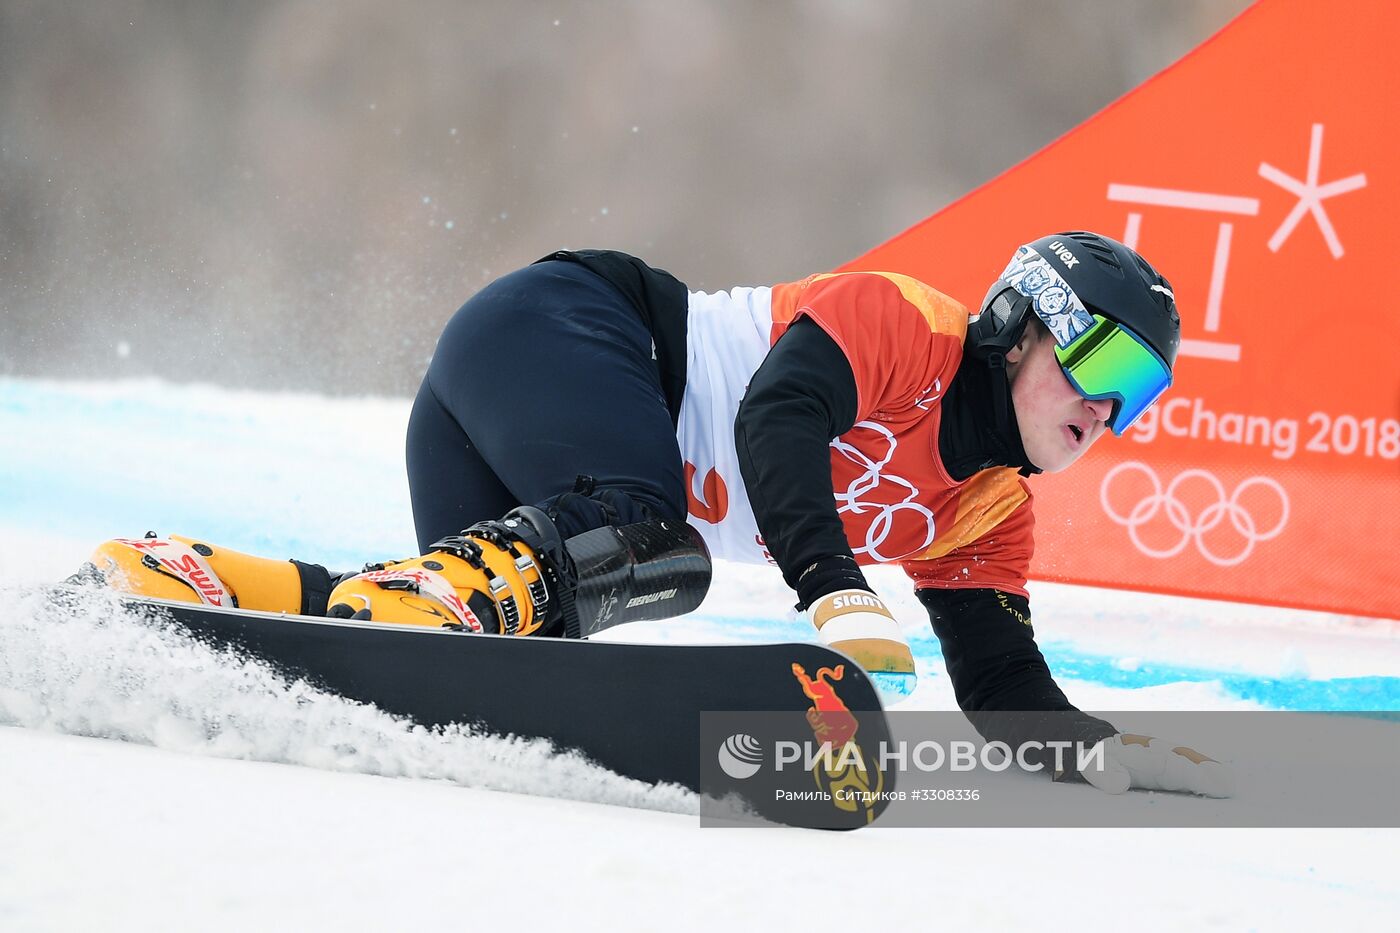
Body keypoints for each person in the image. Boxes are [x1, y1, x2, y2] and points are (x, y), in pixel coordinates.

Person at [80, 231, 1231, 796]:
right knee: (646, 542)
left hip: (532, 426)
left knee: (474, 624)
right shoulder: (908, 325)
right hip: (568, 329)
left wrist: (1101, 756)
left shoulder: (988, 515)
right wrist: (830, 585)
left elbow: (998, 690)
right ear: (1022, 324)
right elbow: (776, 421)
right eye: (1106, 364)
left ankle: (184, 576)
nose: (1108, 410)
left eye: (1143, 397)